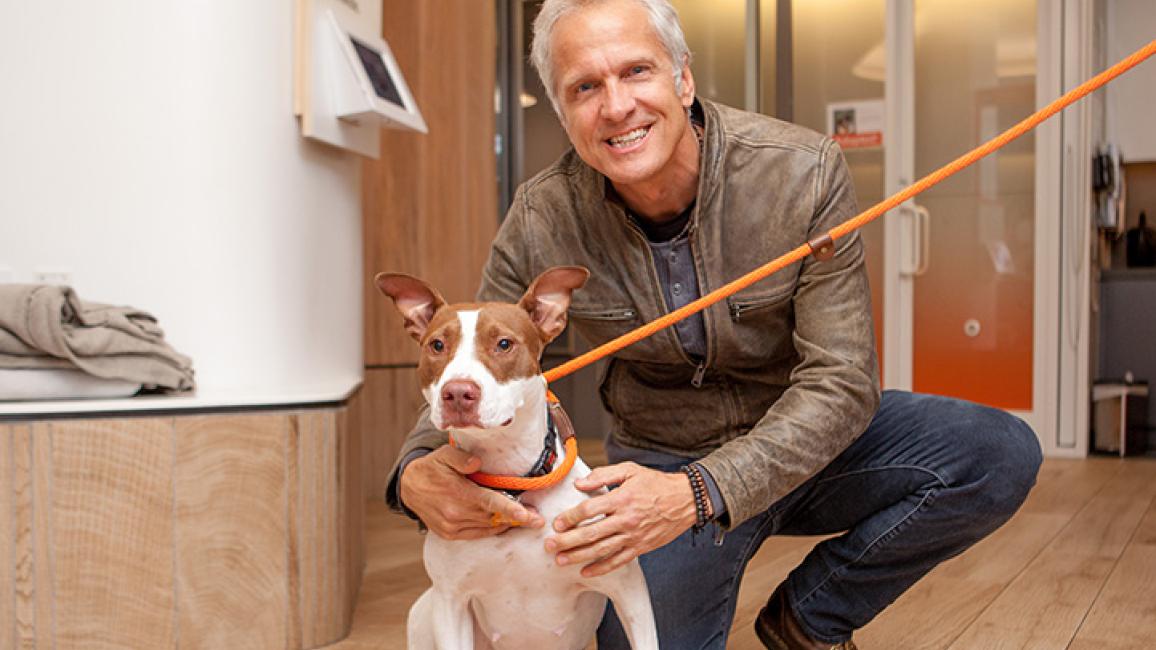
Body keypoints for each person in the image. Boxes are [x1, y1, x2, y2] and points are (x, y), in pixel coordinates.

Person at [384, 0, 1043, 647]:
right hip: (659, 469)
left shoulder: (802, 171)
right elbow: (471, 352)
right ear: (562, 112)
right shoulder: (541, 216)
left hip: (808, 447)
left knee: (997, 453)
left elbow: (842, 380)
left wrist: (703, 492)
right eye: (585, 87)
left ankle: (811, 616)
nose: (616, 107)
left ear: (683, 77)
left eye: (636, 71)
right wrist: (413, 471)